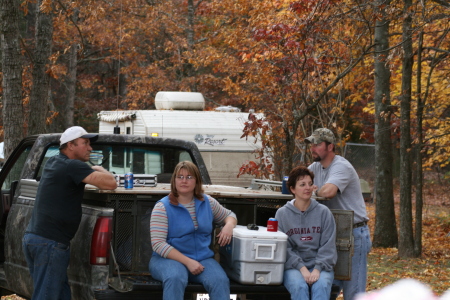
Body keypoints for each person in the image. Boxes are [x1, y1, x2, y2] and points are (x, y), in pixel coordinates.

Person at [22, 126, 118, 300]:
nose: (90, 148)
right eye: (85, 143)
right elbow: (111, 183)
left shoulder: (53, 162)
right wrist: (99, 169)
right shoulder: (72, 166)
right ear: (71, 145)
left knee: (61, 295)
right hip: (50, 244)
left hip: (37, 239)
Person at [149, 161, 237, 300]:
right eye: (180, 177)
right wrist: (188, 262)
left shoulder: (207, 202)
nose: (184, 181)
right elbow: (158, 244)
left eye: (189, 177)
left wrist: (228, 226)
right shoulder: (162, 207)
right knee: (175, 277)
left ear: (197, 181)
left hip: (202, 258)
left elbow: (229, 215)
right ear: (174, 180)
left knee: (220, 280)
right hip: (167, 260)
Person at [305, 128, 371, 300]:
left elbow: (329, 192)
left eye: (318, 144)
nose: (313, 148)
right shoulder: (314, 167)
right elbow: (300, 185)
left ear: (330, 147)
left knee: (353, 293)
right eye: (312, 144)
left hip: (353, 234)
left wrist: (313, 190)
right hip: (331, 234)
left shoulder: (341, 166)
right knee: (327, 285)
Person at [275, 166, 337, 300]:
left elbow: (328, 246)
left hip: (320, 265)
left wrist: (317, 269)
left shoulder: (324, 212)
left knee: (321, 286)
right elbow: (284, 247)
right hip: (293, 267)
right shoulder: (282, 214)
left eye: (310, 184)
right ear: (292, 189)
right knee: (299, 286)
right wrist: (301, 268)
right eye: (302, 185)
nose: (307, 188)